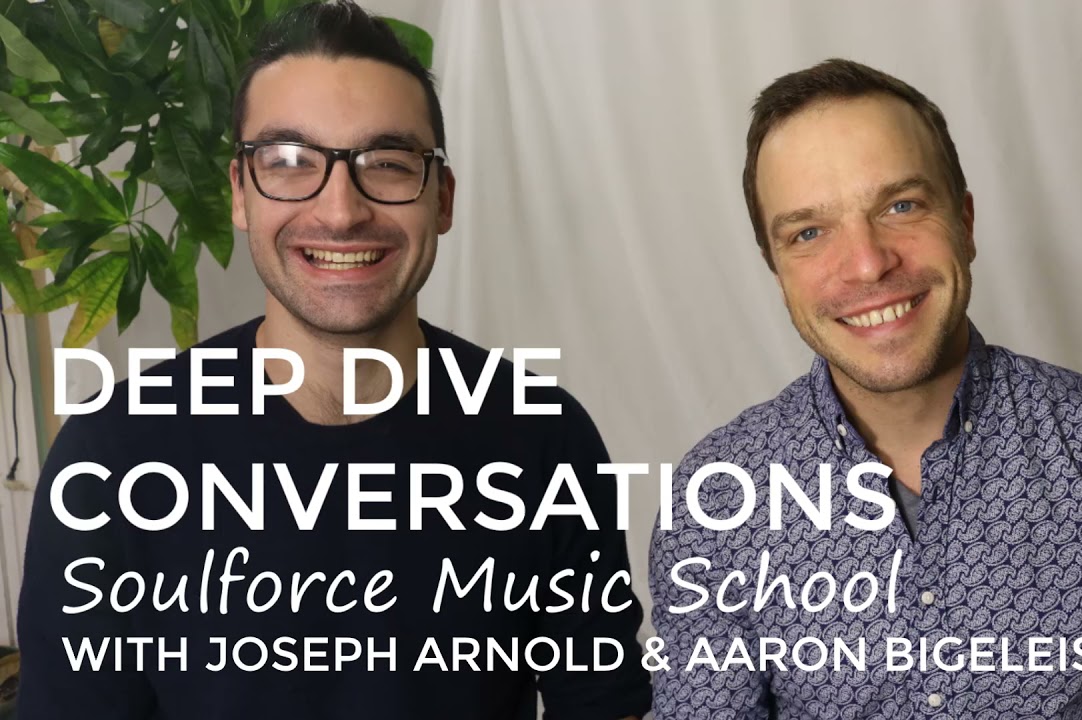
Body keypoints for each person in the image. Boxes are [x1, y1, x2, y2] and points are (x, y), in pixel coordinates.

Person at [16, 2, 651, 718]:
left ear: (441, 198)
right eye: (289, 164)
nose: (341, 210)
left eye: (386, 163)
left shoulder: (544, 439)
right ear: (239, 194)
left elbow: (600, 706)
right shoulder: (114, 456)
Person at [649, 58, 1082, 718]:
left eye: (901, 205)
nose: (867, 262)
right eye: (809, 232)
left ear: (965, 222)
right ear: (776, 268)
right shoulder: (716, 503)